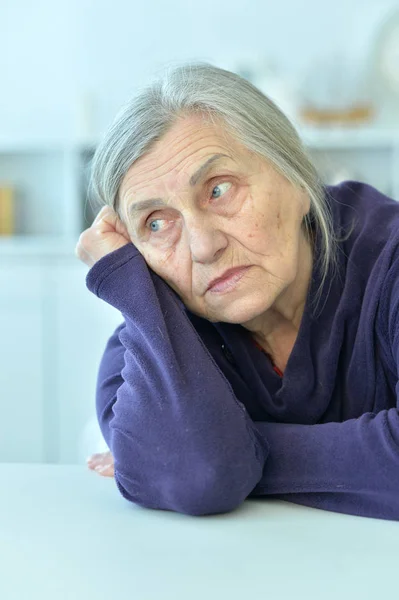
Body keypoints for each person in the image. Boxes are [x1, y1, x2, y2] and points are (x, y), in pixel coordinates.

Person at [76, 63, 399, 520]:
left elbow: (195, 466)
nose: (204, 246)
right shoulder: (155, 334)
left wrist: (238, 450)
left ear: (297, 180)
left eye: (219, 190)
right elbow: (197, 478)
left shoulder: (390, 256)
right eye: (156, 223)